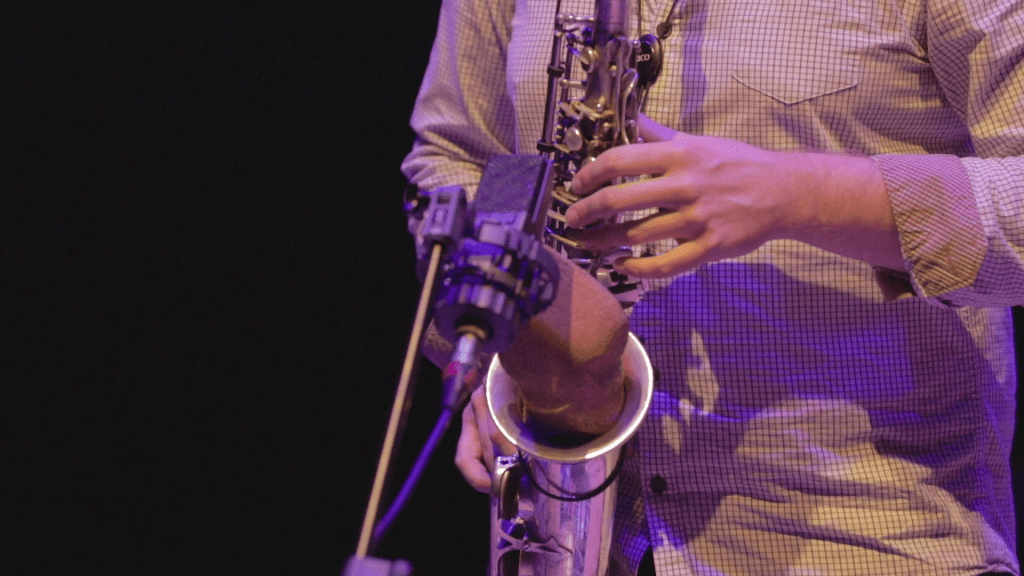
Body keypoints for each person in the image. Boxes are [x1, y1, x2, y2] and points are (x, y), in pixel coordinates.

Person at [402, 0, 1024, 574]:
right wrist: (496, 343)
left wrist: (795, 193)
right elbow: (454, 159)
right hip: (564, 530)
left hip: (866, 534)